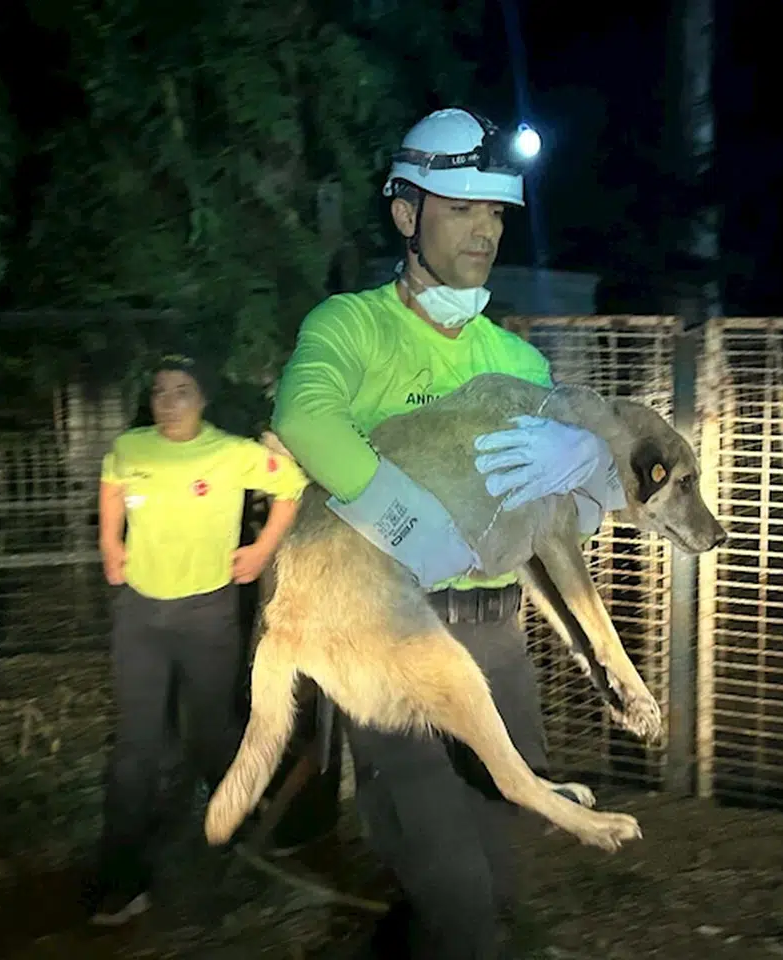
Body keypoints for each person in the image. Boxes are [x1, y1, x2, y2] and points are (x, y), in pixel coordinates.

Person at [270, 108, 627, 958]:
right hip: (392, 639)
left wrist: (589, 473)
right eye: (460, 207)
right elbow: (305, 418)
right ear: (406, 213)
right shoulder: (350, 326)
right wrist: (408, 522)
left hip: (499, 640)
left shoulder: (520, 361)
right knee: (459, 897)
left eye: (494, 211)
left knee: (494, 879)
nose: (484, 229)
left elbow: (562, 524)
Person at [89, 352, 308, 926]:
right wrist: (111, 541)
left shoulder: (232, 453)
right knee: (136, 748)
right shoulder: (131, 447)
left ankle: (245, 825)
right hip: (140, 615)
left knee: (212, 731)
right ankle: (121, 881)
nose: (169, 403)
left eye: (182, 390)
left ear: (202, 398)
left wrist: (262, 549)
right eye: (160, 392)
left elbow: (292, 486)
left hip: (207, 615)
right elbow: (111, 483)